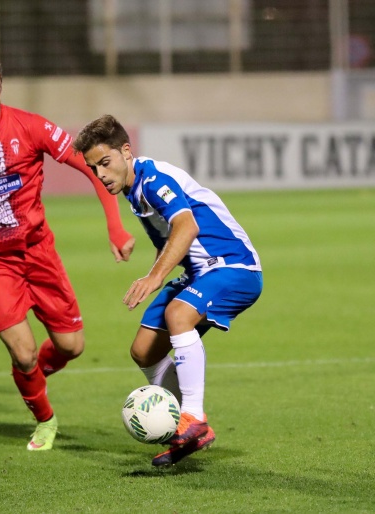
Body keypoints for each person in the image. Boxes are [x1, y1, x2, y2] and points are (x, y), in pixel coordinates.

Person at [0, 56, 135, 451]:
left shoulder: (30, 126)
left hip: (39, 253)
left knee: (71, 347)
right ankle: (45, 418)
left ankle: (29, 376)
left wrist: (115, 225)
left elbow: (90, 166)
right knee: (22, 351)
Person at [73, 114, 263, 466]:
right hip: (200, 272)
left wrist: (154, 276)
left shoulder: (152, 178)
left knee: (178, 315)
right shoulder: (134, 192)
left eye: (105, 163)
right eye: (93, 168)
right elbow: (173, 240)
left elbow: (186, 226)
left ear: (126, 151)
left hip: (234, 266)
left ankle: (193, 418)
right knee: (144, 351)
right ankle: (180, 427)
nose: (100, 175)